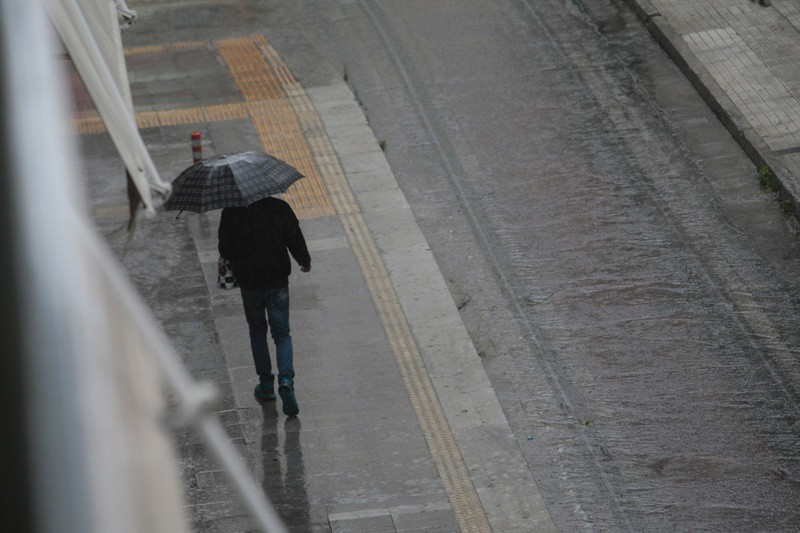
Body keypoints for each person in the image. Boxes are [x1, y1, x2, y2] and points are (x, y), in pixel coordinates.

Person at [218, 196, 311, 416]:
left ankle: (266, 385)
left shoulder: (231, 212)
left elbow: (225, 249)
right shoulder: (278, 207)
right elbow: (294, 236)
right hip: (277, 281)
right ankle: (286, 380)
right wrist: (304, 260)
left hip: (250, 284)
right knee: (282, 334)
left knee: (258, 332)